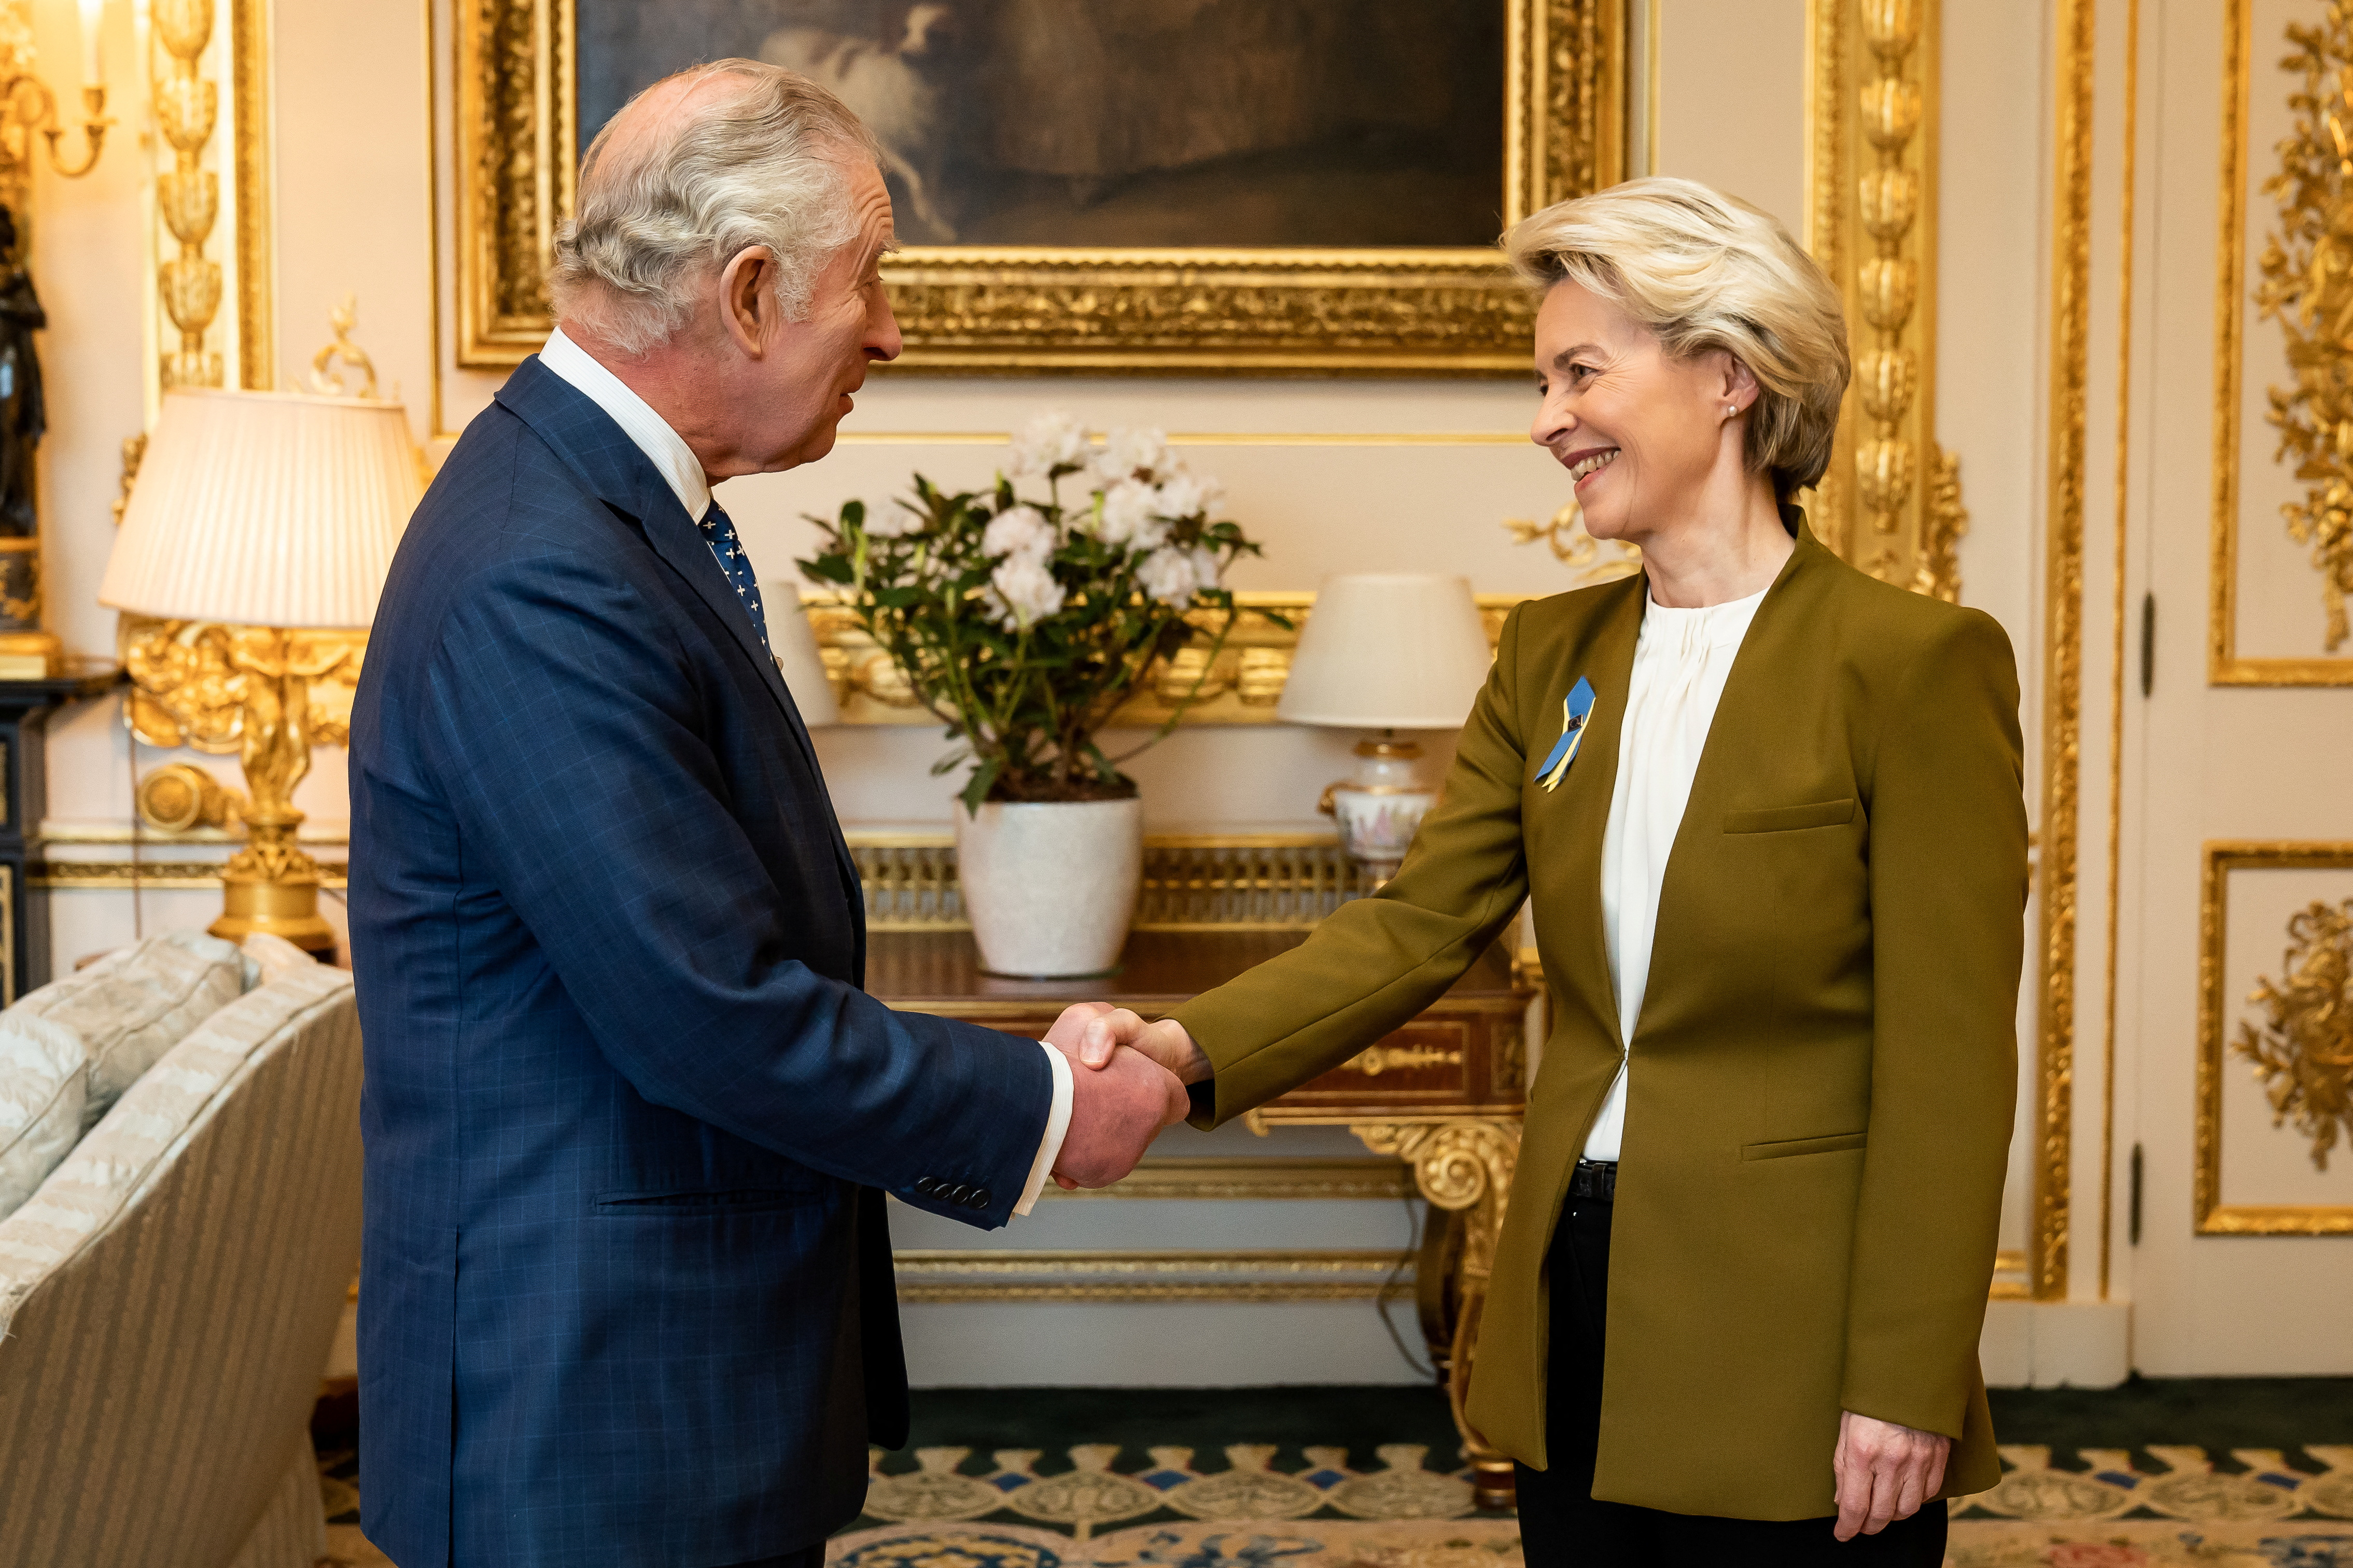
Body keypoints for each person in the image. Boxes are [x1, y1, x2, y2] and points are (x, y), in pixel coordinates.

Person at [1059, 177, 2026, 1566]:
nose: (1545, 418)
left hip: (1793, 1323)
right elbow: (1411, 929)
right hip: (1573, 1290)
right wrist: (1176, 1048)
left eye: (1580, 372)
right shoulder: (1547, 655)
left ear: (1727, 376)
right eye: (1540, 379)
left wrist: (1904, 1371)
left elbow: (1947, 1065)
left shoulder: (1910, 666)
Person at [347, 61, 1188, 1568]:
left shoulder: (595, 512)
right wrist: (1051, 1108)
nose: (889, 328)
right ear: (745, 294)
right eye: (867, 277)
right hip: (590, 1421)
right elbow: (705, 1011)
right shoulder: (545, 564)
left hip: (652, 1388)